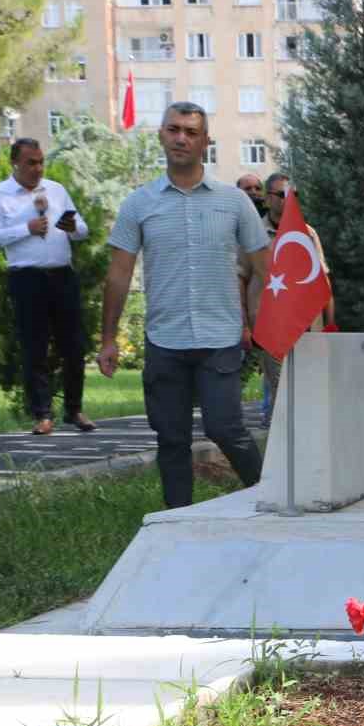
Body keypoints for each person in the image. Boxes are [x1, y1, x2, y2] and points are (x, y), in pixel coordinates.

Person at [98, 102, 267, 508]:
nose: (181, 138)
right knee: (171, 438)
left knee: (226, 428)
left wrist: (264, 324)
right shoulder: (138, 204)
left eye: (192, 132)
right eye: (173, 129)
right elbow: (118, 275)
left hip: (219, 336)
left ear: (206, 142)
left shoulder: (234, 201)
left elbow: (267, 271)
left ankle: (269, 502)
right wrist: (108, 339)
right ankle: (179, 520)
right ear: (160, 135)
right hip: (165, 339)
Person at [0, 139, 95, 434]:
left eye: (41, 161)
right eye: (31, 162)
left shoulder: (56, 191)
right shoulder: (0, 196)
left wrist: (61, 221)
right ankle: (42, 414)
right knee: (35, 347)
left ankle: (74, 410)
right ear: (14, 163)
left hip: (62, 275)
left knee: (73, 345)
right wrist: (26, 228)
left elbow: (81, 229)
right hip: (26, 278)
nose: (38, 168)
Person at [245, 171, 333, 425]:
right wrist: (244, 325)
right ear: (268, 198)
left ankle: (307, 450)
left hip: (308, 326)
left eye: (294, 195)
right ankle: (279, 450)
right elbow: (240, 277)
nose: (289, 200)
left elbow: (323, 280)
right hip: (271, 326)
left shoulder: (307, 233)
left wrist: (329, 323)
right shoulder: (254, 234)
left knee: (309, 390)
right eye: (283, 195)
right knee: (281, 390)